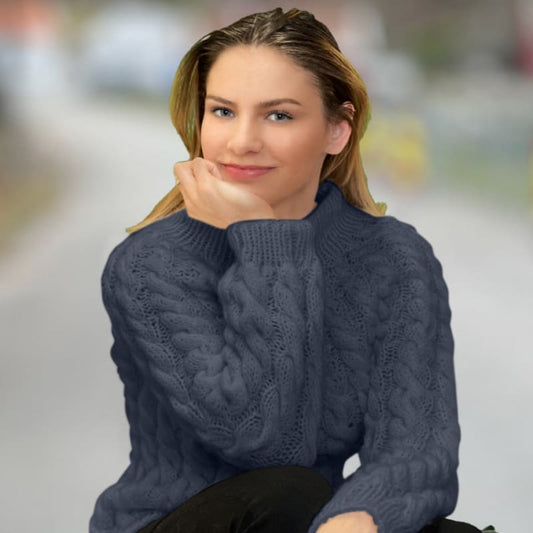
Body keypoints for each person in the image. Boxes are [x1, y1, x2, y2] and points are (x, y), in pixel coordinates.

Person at [89, 7, 491, 533]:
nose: (241, 142)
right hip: (177, 520)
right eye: (223, 111)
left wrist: (357, 518)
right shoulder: (150, 264)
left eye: (278, 116)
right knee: (289, 492)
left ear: (337, 131)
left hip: (303, 519)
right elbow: (258, 437)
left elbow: (418, 451)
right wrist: (266, 244)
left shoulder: (393, 258)